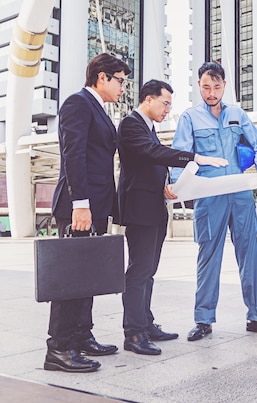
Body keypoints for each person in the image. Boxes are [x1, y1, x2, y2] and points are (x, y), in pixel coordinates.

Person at [117, 80, 228, 355]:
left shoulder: (149, 128)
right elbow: (153, 153)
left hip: (153, 207)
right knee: (139, 271)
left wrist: (168, 186)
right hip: (139, 210)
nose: (168, 109)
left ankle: (145, 323)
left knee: (149, 271)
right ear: (148, 99)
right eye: (165, 103)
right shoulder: (131, 124)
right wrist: (195, 158)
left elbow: (150, 162)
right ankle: (133, 334)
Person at [171, 61, 257, 340]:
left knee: (249, 255)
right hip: (209, 197)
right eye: (206, 87)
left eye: (217, 87)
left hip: (241, 193)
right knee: (208, 257)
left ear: (224, 86)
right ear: (199, 85)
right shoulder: (190, 118)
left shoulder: (238, 114)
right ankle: (203, 320)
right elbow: (179, 156)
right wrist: (176, 185)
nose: (211, 92)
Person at [47, 53, 131, 372]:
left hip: (93, 207)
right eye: (120, 80)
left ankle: (82, 336)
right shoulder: (77, 104)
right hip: (77, 207)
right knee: (70, 278)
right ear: (102, 78)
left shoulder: (98, 109)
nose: (123, 87)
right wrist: (80, 203)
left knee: (86, 277)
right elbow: (73, 154)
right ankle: (58, 348)